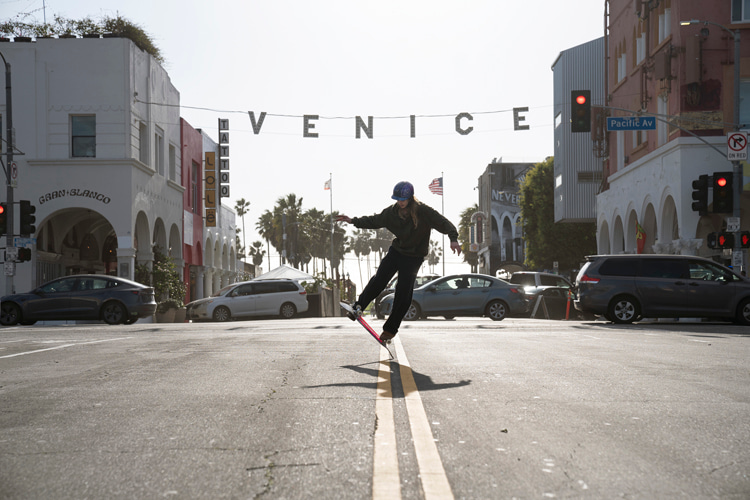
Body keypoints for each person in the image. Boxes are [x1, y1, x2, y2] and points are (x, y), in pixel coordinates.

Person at [336, 181, 461, 342]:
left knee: (403, 292)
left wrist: (453, 239)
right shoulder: (392, 212)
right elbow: (374, 220)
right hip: (397, 252)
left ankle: (390, 329)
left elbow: (443, 222)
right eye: (398, 199)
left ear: (410, 198)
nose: (401, 203)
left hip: (414, 257)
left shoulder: (423, 211)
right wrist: (353, 220)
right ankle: (358, 307)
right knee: (379, 279)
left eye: (404, 199)